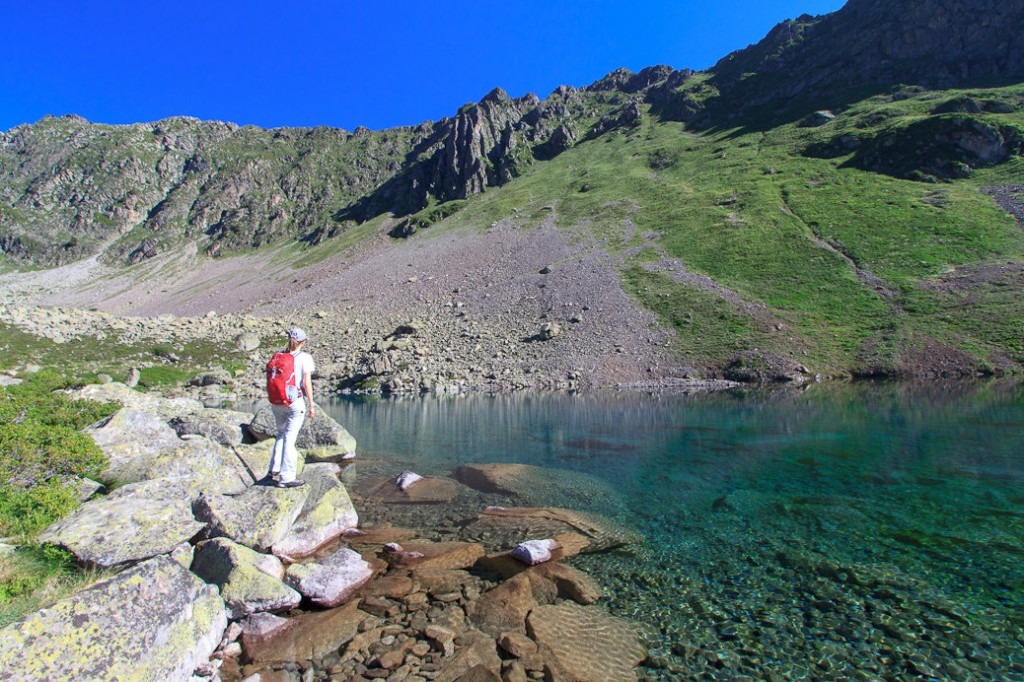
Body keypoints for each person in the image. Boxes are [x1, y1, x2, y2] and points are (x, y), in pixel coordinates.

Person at [264, 327, 315, 488]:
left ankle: (274, 469)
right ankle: (287, 477)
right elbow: (306, 383)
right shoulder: (304, 357)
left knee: (281, 434)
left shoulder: (280, 355)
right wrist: (311, 405)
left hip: (277, 403)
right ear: (303, 342)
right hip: (294, 402)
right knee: (289, 439)